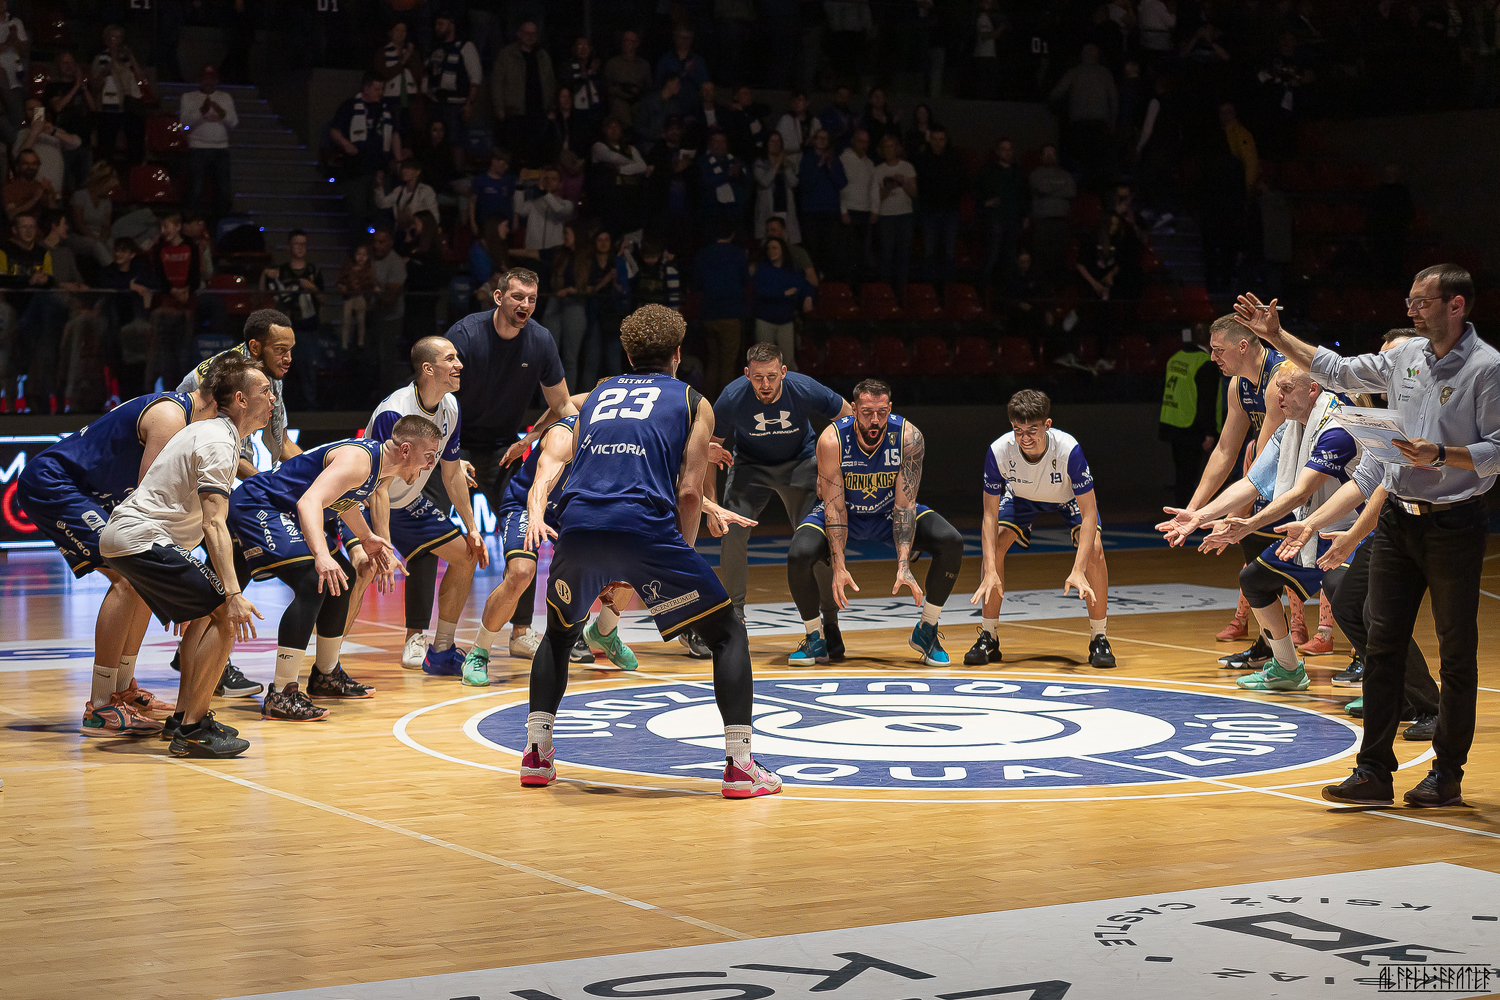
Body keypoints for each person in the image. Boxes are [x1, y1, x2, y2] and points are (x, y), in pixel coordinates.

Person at [1236, 272, 1500, 809]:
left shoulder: (1487, 366)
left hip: (1454, 523)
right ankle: (1374, 771)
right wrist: (1277, 336)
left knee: (1456, 652)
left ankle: (1447, 774)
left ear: (1456, 304)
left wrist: (1441, 455)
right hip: (1399, 518)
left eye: (1422, 302)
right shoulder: (1406, 357)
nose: (1413, 310)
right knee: (1381, 644)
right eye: (1410, 301)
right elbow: (1336, 369)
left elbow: (1497, 449)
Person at [518, 304, 780, 799]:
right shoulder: (694, 402)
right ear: (678, 353)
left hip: (579, 524)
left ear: (628, 353)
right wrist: (674, 557)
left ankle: (536, 755)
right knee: (728, 633)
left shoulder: (598, 393)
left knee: (557, 635)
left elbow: (580, 453)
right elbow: (689, 492)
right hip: (644, 526)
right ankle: (741, 766)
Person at [16, 356, 229, 735]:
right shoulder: (171, 416)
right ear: (222, 397)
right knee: (128, 576)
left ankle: (123, 690)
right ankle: (100, 706)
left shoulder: (191, 423)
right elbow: (149, 501)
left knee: (143, 575)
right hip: (55, 483)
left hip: (90, 492)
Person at [100, 355, 272, 759]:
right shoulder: (218, 441)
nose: (273, 399)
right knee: (226, 614)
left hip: (140, 537)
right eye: (266, 391)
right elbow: (214, 523)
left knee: (205, 615)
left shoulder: (218, 433)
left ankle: (183, 717)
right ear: (241, 399)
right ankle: (193, 730)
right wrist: (233, 593)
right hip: (141, 537)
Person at [1160, 363, 1363, 693]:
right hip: (1309, 529)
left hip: (1353, 531)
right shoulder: (1289, 429)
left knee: (1344, 591)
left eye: (1287, 389)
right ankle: (1287, 668)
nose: (1278, 397)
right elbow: (1252, 482)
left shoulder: (1336, 428)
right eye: (1277, 389)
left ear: (1313, 390)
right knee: (1254, 580)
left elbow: (1301, 492)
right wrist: (1200, 515)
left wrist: (1249, 524)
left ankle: (1375, 671)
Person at [228, 417, 434, 720]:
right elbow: (309, 502)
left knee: (344, 578)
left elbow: (341, 500)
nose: (430, 464)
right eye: (428, 455)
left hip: (284, 509)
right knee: (314, 579)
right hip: (259, 504)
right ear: (405, 450)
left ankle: (326, 675)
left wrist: (366, 537)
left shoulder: (374, 465)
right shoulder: (359, 461)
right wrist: (321, 555)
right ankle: (281, 693)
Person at [436, 267, 573, 660]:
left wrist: (529, 439)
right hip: (453, 444)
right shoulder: (465, 335)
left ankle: (521, 632)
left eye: (531, 299)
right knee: (431, 537)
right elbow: (435, 394)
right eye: (517, 297)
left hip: (503, 450)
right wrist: (451, 454)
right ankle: (420, 636)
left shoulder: (540, 340)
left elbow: (562, 406)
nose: (525, 305)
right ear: (498, 298)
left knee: (525, 534)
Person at [787, 379, 964, 667]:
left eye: (882, 412)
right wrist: (839, 566)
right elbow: (835, 508)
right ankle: (814, 637)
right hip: (846, 513)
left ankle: (927, 629)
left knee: (951, 541)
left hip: (887, 514)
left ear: (890, 409)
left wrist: (904, 564)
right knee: (798, 554)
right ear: (854, 409)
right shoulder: (832, 440)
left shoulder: (909, 437)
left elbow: (905, 506)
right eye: (867, 412)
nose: (875, 420)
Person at [461, 397, 639, 682]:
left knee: (628, 560)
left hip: (572, 509)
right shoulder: (562, 436)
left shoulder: (623, 442)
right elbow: (540, 485)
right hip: (527, 505)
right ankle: (478, 652)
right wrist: (535, 517)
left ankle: (604, 632)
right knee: (521, 572)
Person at [360, 336, 486, 673]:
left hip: (406, 502)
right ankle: (326, 664)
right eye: (450, 359)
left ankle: (441, 649)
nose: (459, 365)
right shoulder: (395, 411)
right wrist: (384, 545)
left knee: (466, 555)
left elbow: (452, 474)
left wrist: (473, 528)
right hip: (363, 503)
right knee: (362, 573)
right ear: (428, 369)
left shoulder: (450, 407)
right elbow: (378, 488)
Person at [968, 389, 1115, 668]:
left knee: (1095, 550)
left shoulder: (1068, 449)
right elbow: (989, 515)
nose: (1025, 438)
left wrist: (1078, 568)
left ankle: (1099, 638)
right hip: (1022, 497)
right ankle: (989, 636)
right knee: (995, 545)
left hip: (1067, 498)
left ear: (1047, 425)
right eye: (1018, 430)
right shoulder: (999, 451)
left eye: (1032, 430)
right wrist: (990, 569)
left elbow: (1088, 512)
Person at [708, 342, 850, 624]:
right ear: (747, 374)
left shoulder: (804, 387)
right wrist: (711, 505)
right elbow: (709, 451)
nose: (765, 384)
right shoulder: (731, 396)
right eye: (758, 377)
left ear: (784, 372)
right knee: (731, 532)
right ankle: (735, 616)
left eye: (772, 376)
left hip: (800, 463)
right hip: (750, 467)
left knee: (816, 537)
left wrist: (831, 472)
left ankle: (829, 618)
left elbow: (847, 417)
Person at [1182, 313, 1292, 658]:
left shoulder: (1280, 379)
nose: (1212, 357)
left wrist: (1234, 514)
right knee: (1257, 565)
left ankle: (1357, 654)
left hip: (1315, 479)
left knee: (1334, 572)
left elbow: (1264, 460)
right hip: (1273, 477)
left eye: (1219, 350)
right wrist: (1193, 510)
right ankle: (1272, 648)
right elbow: (1225, 450)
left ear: (1243, 346)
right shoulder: (1238, 385)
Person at [328, 75, 403, 240]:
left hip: (380, 170)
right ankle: (359, 247)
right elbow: (334, 130)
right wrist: (346, 144)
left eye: (382, 89)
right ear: (366, 88)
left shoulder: (386, 109)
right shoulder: (350, 106)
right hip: (356, 170)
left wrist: (398, 161)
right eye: (377, 89)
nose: (380, 93)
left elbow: (394, 135)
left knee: (380, 212)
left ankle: (378, 247)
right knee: (358, 211)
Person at [1159, 324, 1222, 508]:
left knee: (1182, 475)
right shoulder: (1205, 363)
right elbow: (1206, 401)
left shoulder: (1175, 358)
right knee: (1192, 476)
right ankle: (1187, 513)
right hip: (1193, 428)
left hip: (1173, 424)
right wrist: (1209, 432)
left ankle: (1181, 510)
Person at [259, 230, 323, 409]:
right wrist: (264, 275)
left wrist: (312, 287)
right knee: (279, 371)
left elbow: (323, 299)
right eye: (296, 244)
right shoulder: (281, 271)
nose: (300, 247)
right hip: (283, 331)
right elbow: (263, 294)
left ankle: (311, 407)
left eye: (303, 244)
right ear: (288, 247)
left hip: (307, 329)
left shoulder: (313, 271)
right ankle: (273, 408)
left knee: (308, 369)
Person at [694, 219, 749, 400]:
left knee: (713, 362)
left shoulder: (703, 255)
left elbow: (696, 284)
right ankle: (725, 405)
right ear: (732, 234)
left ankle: (708, 402)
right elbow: (745, 281)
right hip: (730, 314)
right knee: (727, 364)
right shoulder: (738, 255)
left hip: (708, 314)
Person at [178, 65, 237, 221]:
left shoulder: (225, 97)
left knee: (224, 191)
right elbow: (185, 126)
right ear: (200, 80)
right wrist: (201, 112)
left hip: (221, 149)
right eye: (205, 79)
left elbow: (233, 124)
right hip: (198, 148)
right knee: (196, 190)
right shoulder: (188, 97)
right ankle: (191, 223)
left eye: (212, 79)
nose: (208, 82)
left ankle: (219, 224)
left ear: (217, 80)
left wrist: (222, 114)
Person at [913, 124, 964, 288]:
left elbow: (962, 183)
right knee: (929, 252)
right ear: (930, 140)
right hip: (929, 211)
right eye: (934, 139)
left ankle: (949, 291)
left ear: (946, 140)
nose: (938, 143)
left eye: (941, 139)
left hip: (950, 211)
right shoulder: (922, 160)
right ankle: (928, 292)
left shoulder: (954, 159)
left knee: (949, 253)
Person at [752, 237, 813, 365]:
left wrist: (808, 296)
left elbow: (805, 285)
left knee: (787, 361)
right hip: (765, 321)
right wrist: (784, 294)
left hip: (785, 322)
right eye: (769, 248)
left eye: (774, 248)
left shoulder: (790, 271)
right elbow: (761, 291)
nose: (771, 251)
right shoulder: (762, 270)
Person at [424, 11, 482, 144]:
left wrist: (469, 103)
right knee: (435, 141)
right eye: (436, 24)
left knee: (456, 141)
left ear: (451, 25)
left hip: (456, 105)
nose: (437, 28)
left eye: (441, 24)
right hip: (436, 103)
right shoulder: (434, 48)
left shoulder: (465, 46)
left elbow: (475, 77)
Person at [872, 134, 917, 292]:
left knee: (903, 253)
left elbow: (914, 193)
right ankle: (885, 289)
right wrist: (888, 188)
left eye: (892, 146)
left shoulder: (907, 167)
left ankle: (901, 290)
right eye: (886, 147)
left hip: (905, 214)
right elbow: (877, 197)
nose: (889, 150)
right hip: (886, 216)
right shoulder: (878, 170)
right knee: (886, 253)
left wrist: (904, 181)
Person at [838, 128, 876, 283]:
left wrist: (874, 209)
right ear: (853, 141)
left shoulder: (869, 163)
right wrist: (843, 210)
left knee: (862, 252)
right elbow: (840, 187)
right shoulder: (844, 159)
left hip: (865, 211)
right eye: (861, 141)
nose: (864, 145)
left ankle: (859, 286)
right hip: (850, 211)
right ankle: (848, 285)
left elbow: (873, 188)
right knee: (849, 251)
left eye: (866, 142)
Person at [753, 131, 800, 243]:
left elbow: (794, 183)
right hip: (768, 210)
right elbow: (764, 182)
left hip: (785, 209)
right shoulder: (760, 163)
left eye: (778, 141)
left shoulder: (787, 163)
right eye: (772, 141)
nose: (775, 144)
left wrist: (785, 165)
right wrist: (776, 164)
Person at [603, 29, 651, 128]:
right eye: (625, 40)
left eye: (631, 41)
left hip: (637, 101)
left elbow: (648, 88)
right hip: (618, 101)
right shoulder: (612, 63)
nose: (627, 44)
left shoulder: (643, 65)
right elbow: (607, 86)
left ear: (636, 44)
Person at [336, 244, 376, 351]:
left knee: (361, 321)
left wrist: (372, 288)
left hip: (360, 297)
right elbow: (340, 281)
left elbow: (371, 283)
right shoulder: (348, 268)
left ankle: (360, 343)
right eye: (359, 254)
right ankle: (344, 344)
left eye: (364, 255)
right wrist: (342, 287)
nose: (361, 257)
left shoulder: (368, 270)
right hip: (349, 297)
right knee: (346, 321)